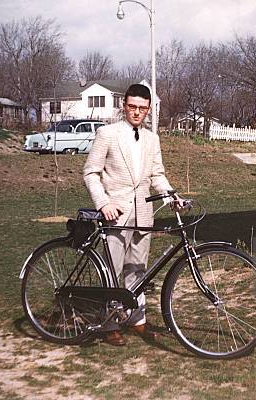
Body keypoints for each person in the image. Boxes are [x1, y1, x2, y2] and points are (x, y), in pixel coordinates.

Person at [83, 84, 174, 346]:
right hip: (116, 214)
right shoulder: (107, 134)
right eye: (132, 107)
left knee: (139, 270)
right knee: (112, 270)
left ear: (149, 110)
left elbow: (157, 174)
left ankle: (137, 320)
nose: (137, 112)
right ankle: (109, 324)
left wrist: (171, 196)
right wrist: (103, 203)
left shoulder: (151, 138)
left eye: (142, 108)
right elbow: (91, 173)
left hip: (143, 215)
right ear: (124, 106)